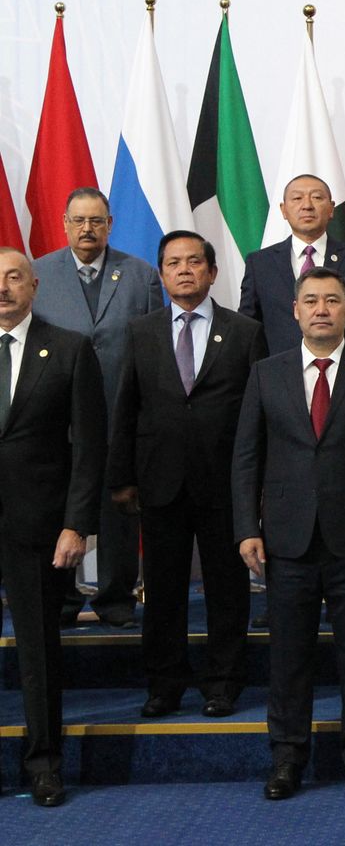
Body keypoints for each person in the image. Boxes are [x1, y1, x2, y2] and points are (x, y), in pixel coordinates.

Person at [232, 267, 345, 800]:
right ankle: (287, 759)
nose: (321, 309)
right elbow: (246, 458)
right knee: (288, 658)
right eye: (310, 300)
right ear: (294, 310)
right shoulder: (267, 373)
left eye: (332, 300)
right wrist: (247, 529)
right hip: (286, 542)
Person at [108, 231, 267, 719]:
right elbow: (126, 407)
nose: (184, 270)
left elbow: (260, 414)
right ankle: (164, 683)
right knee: (163, 589)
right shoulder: (141, 331)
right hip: (160, 481)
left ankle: (223, 681)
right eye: (173, 263)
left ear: (212, 272)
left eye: (194, 262)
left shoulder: (244, 332)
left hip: (226, 484)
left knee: (226, 588)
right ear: (161, 274)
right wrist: (122, 479)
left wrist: (259, 484)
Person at [0, 247, 105, 807]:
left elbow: (89, 447)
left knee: (38, 651)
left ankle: (43, 764)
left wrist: (76, 525)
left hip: (37, 525)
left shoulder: (67, 348)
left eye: (14, 277)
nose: (3, 288)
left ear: (35, 285)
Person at [32, 186, 163, 628]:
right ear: (65, 224)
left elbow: (153, 348)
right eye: (79, 220)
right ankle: (64, 598)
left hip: (119, 411)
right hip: (55, 418)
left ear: (110, 225)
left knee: (118, 509)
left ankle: (116, 598)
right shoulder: (37, 274)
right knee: (60, 506)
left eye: (96, 221)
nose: (87, 229)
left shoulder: (141, 274)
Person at [239, 174, 345, 354]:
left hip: (344, 371)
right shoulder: (259, 263)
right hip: (277, 372)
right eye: (297, 198)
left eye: (317, 197)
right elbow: (248, 327)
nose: (307, 205)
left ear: (331, 209)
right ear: (283, 210)